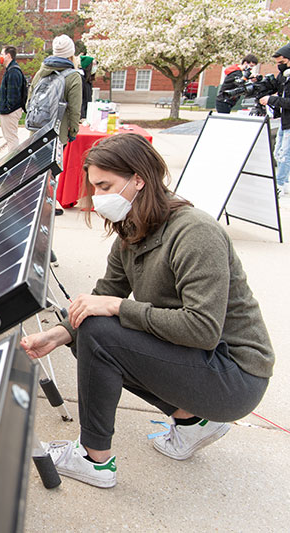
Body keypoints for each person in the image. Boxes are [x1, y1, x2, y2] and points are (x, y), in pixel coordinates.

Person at [20, 133, 274, 489]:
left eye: (105, 185)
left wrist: (119, 308)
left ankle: (94, 460)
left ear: (138, 179)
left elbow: (202, 329)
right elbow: (105, 293)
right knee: (86, 330)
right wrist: (57, 334)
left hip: (235, 376)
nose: (98, 198)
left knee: (98, 333)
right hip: (203, 359)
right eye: (94, 188)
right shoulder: (132, 229)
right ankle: (192, 423)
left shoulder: (194, 232)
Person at [28, 34, 82, 147]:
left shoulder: (41, 72)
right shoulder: (73, 76)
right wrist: (73, 131)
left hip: (36, 132)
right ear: (71, 54)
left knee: (35, 164)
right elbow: (74, 109)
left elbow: (29, 101)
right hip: (57, 133)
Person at [260, 43, 290, 197]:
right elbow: (276, 90)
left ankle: (280, 183)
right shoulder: (284, 77)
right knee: (278, 153)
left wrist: (271, 99)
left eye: (282, 63)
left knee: (285, 155)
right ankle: (283, 183)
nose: (280, 66)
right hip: (285, 122)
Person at [0, 46, 25, 152]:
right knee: (10, 138)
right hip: (9, 111)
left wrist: (7, 108)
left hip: (10, 112)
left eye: (2, 54)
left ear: (8, 56)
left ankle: (13, 163)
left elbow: (13, 95)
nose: (0, 57)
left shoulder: (13, 72)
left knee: (11, 138)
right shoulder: (11, 70)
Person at [79, 55, 96, 120]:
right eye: (93, 64)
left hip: (87, 114)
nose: (95, 67)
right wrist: (82, 116)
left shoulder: (88, 80)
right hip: (81, 116)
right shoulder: (81, 79)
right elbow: (81, 100)